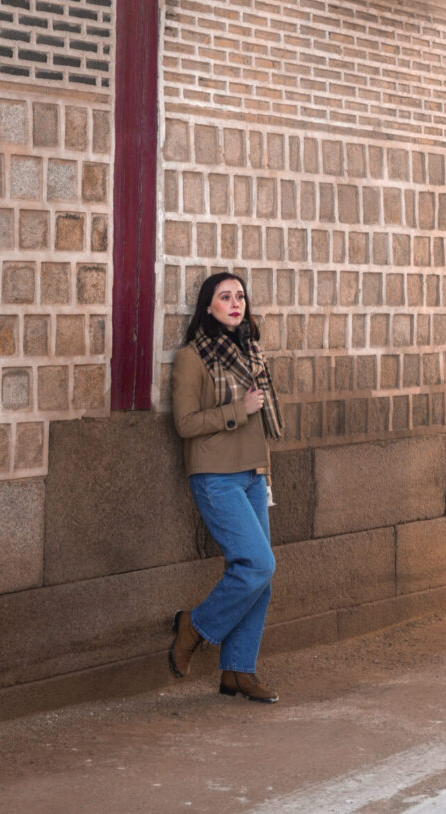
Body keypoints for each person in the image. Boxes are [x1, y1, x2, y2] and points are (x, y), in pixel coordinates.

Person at [167, 271, 285, 703]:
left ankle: (237, 671)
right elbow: (185, 424)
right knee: (257, 565)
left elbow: (262, 417)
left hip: (253, 475)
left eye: (240, 296)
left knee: (260, 577)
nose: (236, 303)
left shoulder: (251, 353)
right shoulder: (192, 358)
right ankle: (194, 626)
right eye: (225, 296)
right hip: (216, 477)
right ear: (208, 306)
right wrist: (239, 409)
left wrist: (263, 470)